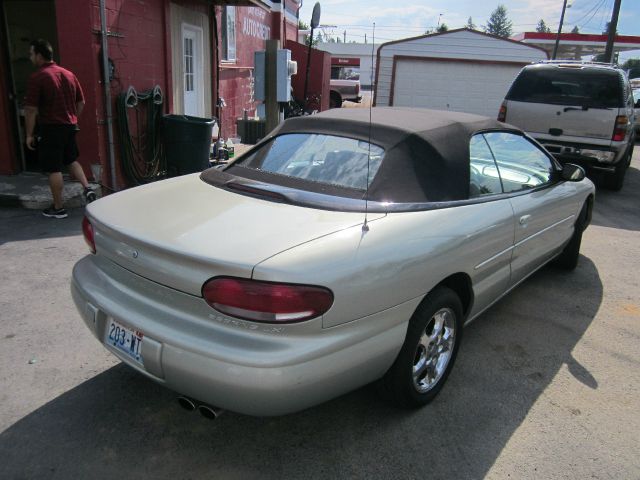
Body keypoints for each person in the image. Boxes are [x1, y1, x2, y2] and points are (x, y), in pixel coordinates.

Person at [24, 38, 96, 219]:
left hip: (51, 128)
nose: (30, 57)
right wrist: (72, 117)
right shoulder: (68, 74)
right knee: (71, 159)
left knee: (53, 167)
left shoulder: (38, 77)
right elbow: (81, 102)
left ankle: (58, 208)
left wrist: (29, 134)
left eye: (31, 54)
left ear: (39, 55)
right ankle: (87, 189)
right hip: (70, 126)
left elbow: (31, 110)